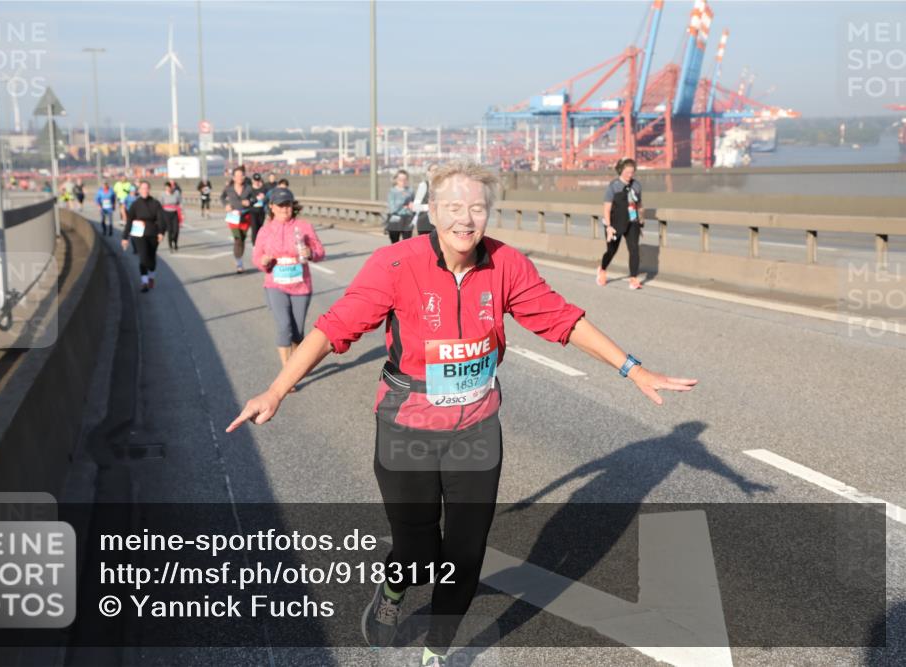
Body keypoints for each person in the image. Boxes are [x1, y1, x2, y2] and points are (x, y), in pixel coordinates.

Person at [226, 162, 697, 666]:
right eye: (453, 207)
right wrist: (277, 389)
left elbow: (561, 319)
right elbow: (332, 328)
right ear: (432, 211)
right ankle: (392, 592)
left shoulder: (505, 264)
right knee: (417, 553)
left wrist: (633, 368)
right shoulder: (396, 264)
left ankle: (437, 649)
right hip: (406, 426)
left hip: (476, 428)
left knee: (466, 554)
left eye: (477, 208)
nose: (466, 220)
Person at [251, 188, 325, 377]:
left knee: (297, 331)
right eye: (281, 205)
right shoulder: (265, 230)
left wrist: (311, 253)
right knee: (284, 326)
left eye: (288, 204)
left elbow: (320, 252)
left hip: (301, 285)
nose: (285, 209)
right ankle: (288, 371)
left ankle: (296, 361)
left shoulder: (304, 226)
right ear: (272, 207)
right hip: (275, 284)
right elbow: (256, 256)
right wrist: (263, 261)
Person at [597, 157, 644, 290]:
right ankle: (603, 269)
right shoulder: (614, 186)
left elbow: (639, 204)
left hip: (632, 221)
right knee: (611, 250)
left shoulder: (637, 185)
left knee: (634, 249)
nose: (630, 175)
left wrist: (641, 221)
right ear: (621, 171)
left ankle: (633, 279)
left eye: (632, 172)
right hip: (615, 223)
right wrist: (609, 227)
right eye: (627, 172)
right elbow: (606, 208)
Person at [121, 181, 166, 292]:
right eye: (142, 188)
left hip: (152, 233)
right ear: (139, 190)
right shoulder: (135, 204)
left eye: (146, 188)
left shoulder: (155, 203)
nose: (144, 190)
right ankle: (144, 282)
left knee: (151, 260)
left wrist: (161, 232)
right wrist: (125, 237)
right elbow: (129, 221)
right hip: (139, 234)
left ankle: (151, 276)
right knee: (143, 258)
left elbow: (161, 219)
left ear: (149, 189)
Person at [221, 166, 255, 273]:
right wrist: (226, 205)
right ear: (234, 177)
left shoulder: (249, 188)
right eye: (237, 176)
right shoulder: (229, 188)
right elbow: (222, 197)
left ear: (244, 177)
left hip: (245, 216)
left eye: (242, 175)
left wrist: (250, 202)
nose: (240, 177)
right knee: (237, 239)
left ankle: (239, 259)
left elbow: (254, 198)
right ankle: (239, 263)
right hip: (233, 217)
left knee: (242, 239)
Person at [385, 169, 414, 243]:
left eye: (405, 179)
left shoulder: (410, 191)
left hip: (407, 219)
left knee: (407, 244)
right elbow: (392, 209)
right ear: (396, 180)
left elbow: (413, 206)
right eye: (400, 179)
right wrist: (403, 200)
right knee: (395, 243)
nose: (403, 181)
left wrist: (412, 207)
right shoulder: (392, 191)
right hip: (395, 219)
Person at [411, 164, 436, 235]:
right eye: (434, 170)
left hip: (438, 223)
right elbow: (415, 207)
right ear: (428, 173)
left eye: (438, 170)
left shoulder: (442, 186)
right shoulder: (423, 186)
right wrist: (429, 207)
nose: (436, 172)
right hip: (425, 223)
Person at [160, 181, 183, 252]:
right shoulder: (162, 194)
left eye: (169, 188)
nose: (167, 189)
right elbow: (159, 205)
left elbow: (180, 203)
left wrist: (182, 213)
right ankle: (170, 246)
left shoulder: (176, 193)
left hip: (175, 213)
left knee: (176, 230)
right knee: (170, 230)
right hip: (166, 214)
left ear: (171, 188)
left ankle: (175, 242)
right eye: (166, 188)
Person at [249, 173, 268, 247]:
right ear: (252, 180)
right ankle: (254, 246)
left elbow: (268, 199)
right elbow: (247, 200)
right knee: (254, 228)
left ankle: (259, 244)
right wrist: (255, 199)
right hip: (253, 211)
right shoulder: (249, 189)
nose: (256, 182)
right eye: (255, 180)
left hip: (261, 211)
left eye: (258, 180)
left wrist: (264, 198)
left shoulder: (264, 188)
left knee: (260, 229)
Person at [123, 184, 139, 254]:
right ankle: (135, 248)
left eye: (134, 191)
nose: (133, 192)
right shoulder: (127, 198)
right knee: (132, 234)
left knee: (138, 233)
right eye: (132, 191)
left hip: (138, 217)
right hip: (130, 216)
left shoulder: (138, 197)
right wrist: (124, 216)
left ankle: (139, 247)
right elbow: (123, 207)